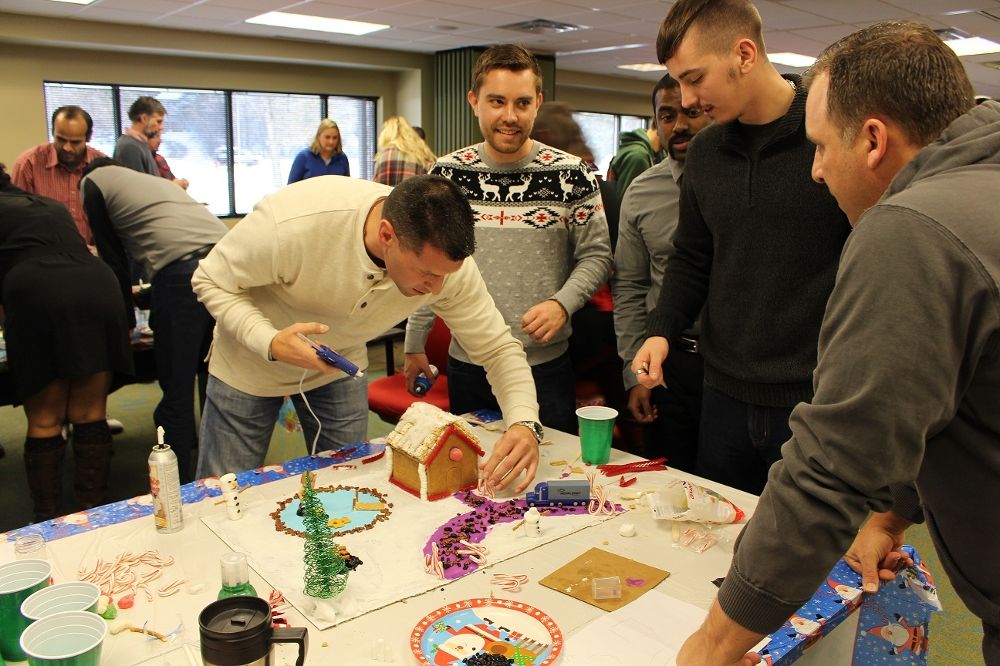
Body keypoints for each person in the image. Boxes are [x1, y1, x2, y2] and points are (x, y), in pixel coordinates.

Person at [674, 20, 1000, 665]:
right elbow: (935, 397)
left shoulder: (911, 228)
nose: (817, 172)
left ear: (874, 140)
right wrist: (889, 518)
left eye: (821, 147)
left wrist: (712, 647)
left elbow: (832, 470)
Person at [191, 174, 543, 492]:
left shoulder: (444, 268)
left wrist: (525, 422)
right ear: (387, 235)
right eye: (426, 275)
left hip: (340, 365)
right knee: (222, 492)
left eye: (444, 277)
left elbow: (498, 349)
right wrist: (267, 339)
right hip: (248, 364)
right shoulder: (295, 224)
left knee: (344, 486)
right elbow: (209, 278)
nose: (437, 290)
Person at [632, 0, 851, 495]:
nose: (686, 101)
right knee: (719, 549)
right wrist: (661, 330)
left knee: (808, 556)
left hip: (812, 400)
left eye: (695, 78)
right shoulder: (706, 153)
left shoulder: (828, 138)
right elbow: (691, 257)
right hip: (723, 395)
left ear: (745, 54)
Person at [405, 45, 613, 436]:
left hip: (545, 368)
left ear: (537, 103)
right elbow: (425, 264)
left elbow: (597, 256)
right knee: (472, 483)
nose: (509, 116)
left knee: (549, 479)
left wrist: (562, 304)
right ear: (474, 102)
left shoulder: (573, 175)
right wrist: (415, 341)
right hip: (469, 364)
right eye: (496, 101)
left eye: (521, 103)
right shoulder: (445, 175)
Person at [0, 164, 133, 521]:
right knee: (90, 413)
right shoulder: (46, 204)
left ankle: (47, 520)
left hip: (35, 288)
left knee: (45, 418)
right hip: (97, 283)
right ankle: (94, 515)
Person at [81, 159, 227, 482]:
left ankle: (177, 489)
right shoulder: (152, 184)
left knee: (175, 389)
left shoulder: (92, 182)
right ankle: (215, 478)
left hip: (181, 276)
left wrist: (123, 322)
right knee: (212, 380)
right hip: (226, 263)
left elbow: (114, 258)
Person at [613, 74, 711, 470]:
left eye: (691, 113)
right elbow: (631, 287)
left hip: (732, 368)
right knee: (672, 485)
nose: (680, 126)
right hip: (670, 365)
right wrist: (632, 371)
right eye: (667, 116)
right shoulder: (641, 191)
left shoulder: (738, 185)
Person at [11, 105, 105, 246]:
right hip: (44, 255)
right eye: (60, 139)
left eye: (75, 142)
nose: (67, 148)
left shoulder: (102, 166)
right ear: (53, 132)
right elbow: (17, 220)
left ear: (88, 137)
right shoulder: (28, 164)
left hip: (91, 256)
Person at [605, 74, 678, 206]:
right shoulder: (638, 156)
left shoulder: (656, 154)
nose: (678, 128)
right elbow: (632, 202)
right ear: (657, 123)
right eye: (667, 118)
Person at [373, 116, 437, 186]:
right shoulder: (421, 154)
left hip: (391, 196)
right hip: (415, 196)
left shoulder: (384, 156)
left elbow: (377, 189)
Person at [114, 96, 165, 176]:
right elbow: (138, 186)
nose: (161, 127)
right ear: (144, 119)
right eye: (158, 121)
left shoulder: (139, 144)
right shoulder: (130, 146)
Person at [287, 119, 350, 183]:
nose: (331, 142)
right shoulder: (303, 157)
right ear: (319, 136)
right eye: (327, 137)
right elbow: (291, 188)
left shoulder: (342, 158)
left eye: (335, 138)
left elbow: (347, 186)